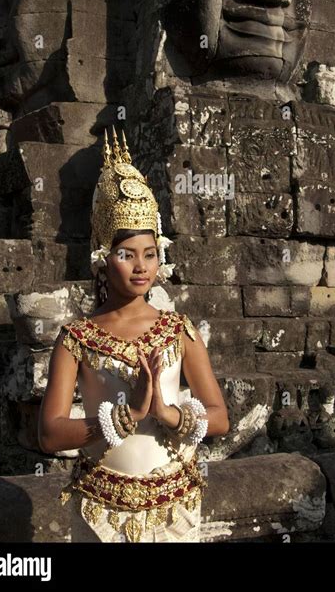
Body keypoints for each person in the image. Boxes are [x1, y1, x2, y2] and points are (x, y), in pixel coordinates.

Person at [38, 127, 229, 542]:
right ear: (102, 259)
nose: (141, 267)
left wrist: (167, 413)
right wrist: (128, 418)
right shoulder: (76, 337)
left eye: (150, 254)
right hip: (100, 513)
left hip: (174, 511)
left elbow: (219, 417)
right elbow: (50, 433)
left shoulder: (179, 330)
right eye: (126, 255)